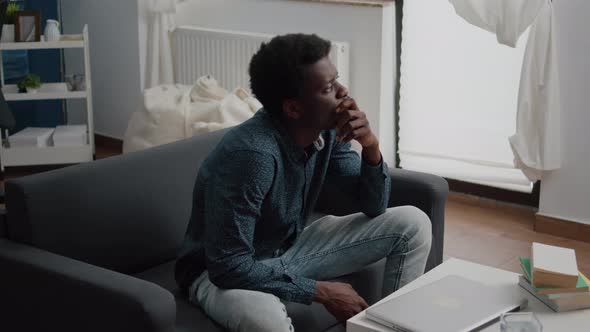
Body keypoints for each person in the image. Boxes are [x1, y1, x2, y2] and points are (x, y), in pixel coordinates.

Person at [175, 33, 432, 332]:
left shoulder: (328, 132)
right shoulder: (251, 155)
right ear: (293, 108)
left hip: (285, 249)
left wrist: (371, 147)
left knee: (413, 223)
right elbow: (228, 266)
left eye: (337, 80)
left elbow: (373, 206)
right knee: (266, 321)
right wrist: (319, 290)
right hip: (217, 272)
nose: (343, 91)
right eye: (328, 88)